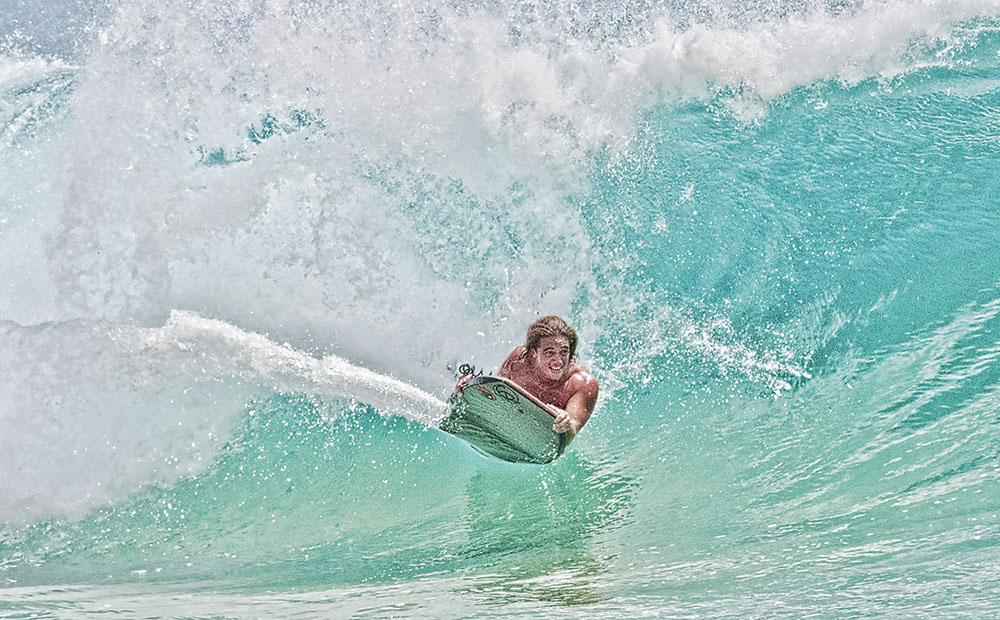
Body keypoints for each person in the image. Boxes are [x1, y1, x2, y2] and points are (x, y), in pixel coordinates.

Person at [459, 316, 599, 444]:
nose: (558, 361)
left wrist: (567, 425)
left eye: (563, 352)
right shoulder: (519, 360)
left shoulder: (583, 383)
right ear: (533, 353)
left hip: (542, 437)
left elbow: (573, 429)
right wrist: (469, 389)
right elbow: (495, 395)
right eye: (549, 352)